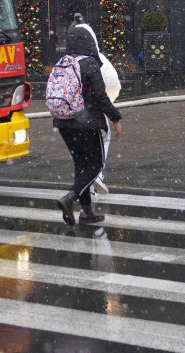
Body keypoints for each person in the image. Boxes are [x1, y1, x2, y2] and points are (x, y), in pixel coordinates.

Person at [54, 24, 122, 226]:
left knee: (80, 164)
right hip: (87, 123)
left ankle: (87, 211)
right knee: (95, 165)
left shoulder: (62, 63)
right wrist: (116, 118)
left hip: (64, 122)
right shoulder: (91, 64)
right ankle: (70, 198)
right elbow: (101, 97)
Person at [73, 21, 121, 195]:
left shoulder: (67, 61)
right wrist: (113, 114)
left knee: (80, 152)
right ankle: (96, 176)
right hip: (93, 113)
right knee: (102, 140)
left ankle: (83, 192)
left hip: (71, 116)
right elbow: (112, 87)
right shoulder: (99, 61)